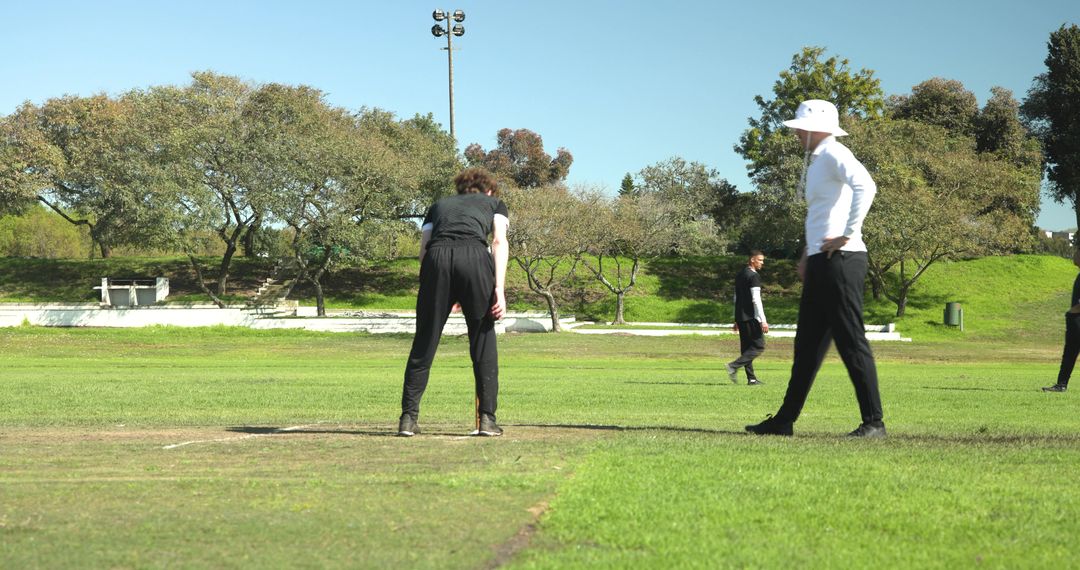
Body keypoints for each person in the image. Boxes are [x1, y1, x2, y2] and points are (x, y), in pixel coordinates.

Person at [745, 99, 886, 438]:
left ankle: (874, 423)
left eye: (801, 128)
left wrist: (847, 234)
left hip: (843, 260)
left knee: (851, 341)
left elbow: (867, 186)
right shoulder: (818, 161)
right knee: (806, 346)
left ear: (818, 128)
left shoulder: (836, 154)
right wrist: (808, 253)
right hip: (822, 262)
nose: (796, 134)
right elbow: (822, 214)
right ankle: (784, 421)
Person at [399, 168, 509, 437]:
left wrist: (440, 289)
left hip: (436, 258)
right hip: (474, 256)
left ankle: (408, 419)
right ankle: (487, 420)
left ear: (461, 190)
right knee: (483, 339)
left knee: (424, 341)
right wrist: (499, 289)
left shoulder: (438, 205)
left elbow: (424, 249)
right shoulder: (495, 204)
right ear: (489, 190)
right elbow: (497, 241)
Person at [727, 251, 769, 385]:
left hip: (741, 317)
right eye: (760, 260)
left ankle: (751, 378)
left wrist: (736, 318)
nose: (762, 263)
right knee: (758, 346)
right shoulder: (754, 276)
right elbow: (756, 299)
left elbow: (736, 298)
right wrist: (763, 320)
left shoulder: (740, 275)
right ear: (752, 260)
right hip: (751, 317)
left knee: (746, 349)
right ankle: (733, 366)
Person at [1044, 247, 1080, 393]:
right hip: (1074, 319)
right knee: (1069, 353)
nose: (1075, 255)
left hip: (1077, 319)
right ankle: (1061, 384)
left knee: (1070, 353)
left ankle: (1061, 384)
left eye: (1078, 252)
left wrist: (1072, 311)